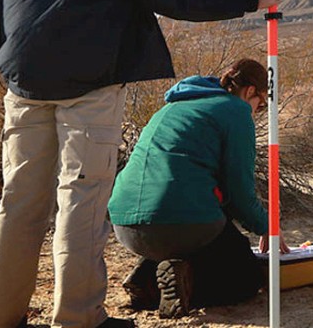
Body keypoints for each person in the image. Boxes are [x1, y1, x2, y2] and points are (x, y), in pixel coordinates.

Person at [0, 0, 282, 328]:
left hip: (24, 88)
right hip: (90, 89)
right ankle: (78, 319)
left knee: (19, 203)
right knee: (81, 200)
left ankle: (0, 318)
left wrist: (6, 66)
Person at [108, 58, 288, 318]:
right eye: (260, 105)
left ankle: (148, 275)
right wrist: (268, 227)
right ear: (250, 92)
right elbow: (239, 192)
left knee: (211, 228)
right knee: (247, 277)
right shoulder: (235, 110)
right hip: (180, 223)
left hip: (125, 225)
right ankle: (178, 286)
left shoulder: (173, 107)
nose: (256, 113)